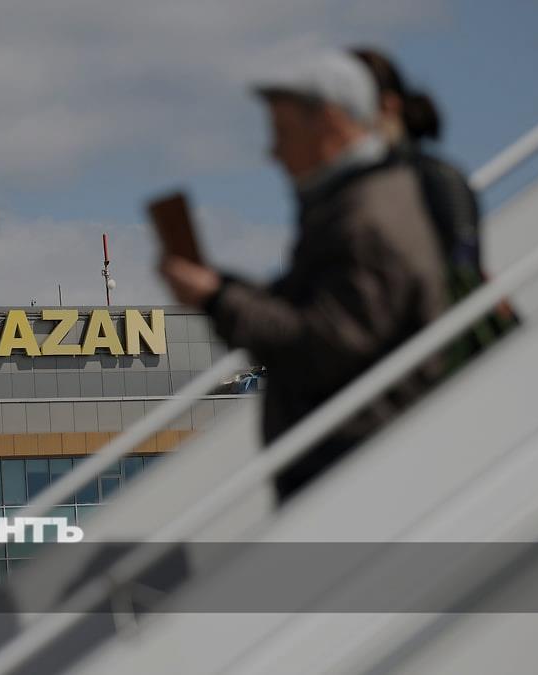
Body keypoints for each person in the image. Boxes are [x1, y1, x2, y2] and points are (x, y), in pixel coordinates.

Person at [160, 50, 449, 502]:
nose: (273, 152)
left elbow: (322, 345)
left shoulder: (364, 217)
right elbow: (317, 317)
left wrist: (218, 299)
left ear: (330, 122)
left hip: (355, 472)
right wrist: (221, 289)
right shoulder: (358, 203)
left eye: (283, 133)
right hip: (352, 463)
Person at [351, 46, 518, 369]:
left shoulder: (436, 178)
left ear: (388, 106)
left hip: (447, 360)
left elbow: (461, 277)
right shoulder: (353, 195)